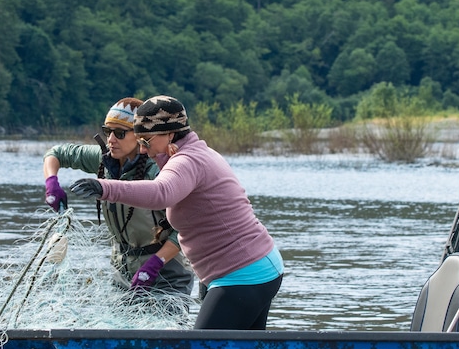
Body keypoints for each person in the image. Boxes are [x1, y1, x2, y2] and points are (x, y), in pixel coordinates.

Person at [68, 95, 283, 330]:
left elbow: (161, 192)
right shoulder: (193, 153)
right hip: (253, 267)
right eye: (139, 140)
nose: (142, 149)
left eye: (147, 141)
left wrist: (104, 187)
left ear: (170, 134)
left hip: (243, 273)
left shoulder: (188, 160)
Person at [43, 97, 194, 297]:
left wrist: (155, 264)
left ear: (140, 135)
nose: (111, 140)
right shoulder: (103, 159)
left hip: (167, 276)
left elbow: (184, 228)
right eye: (108, 132)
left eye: (120, 133)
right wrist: (51, 182)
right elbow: (57, 153)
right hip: (122, 274)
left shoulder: (159, 170)